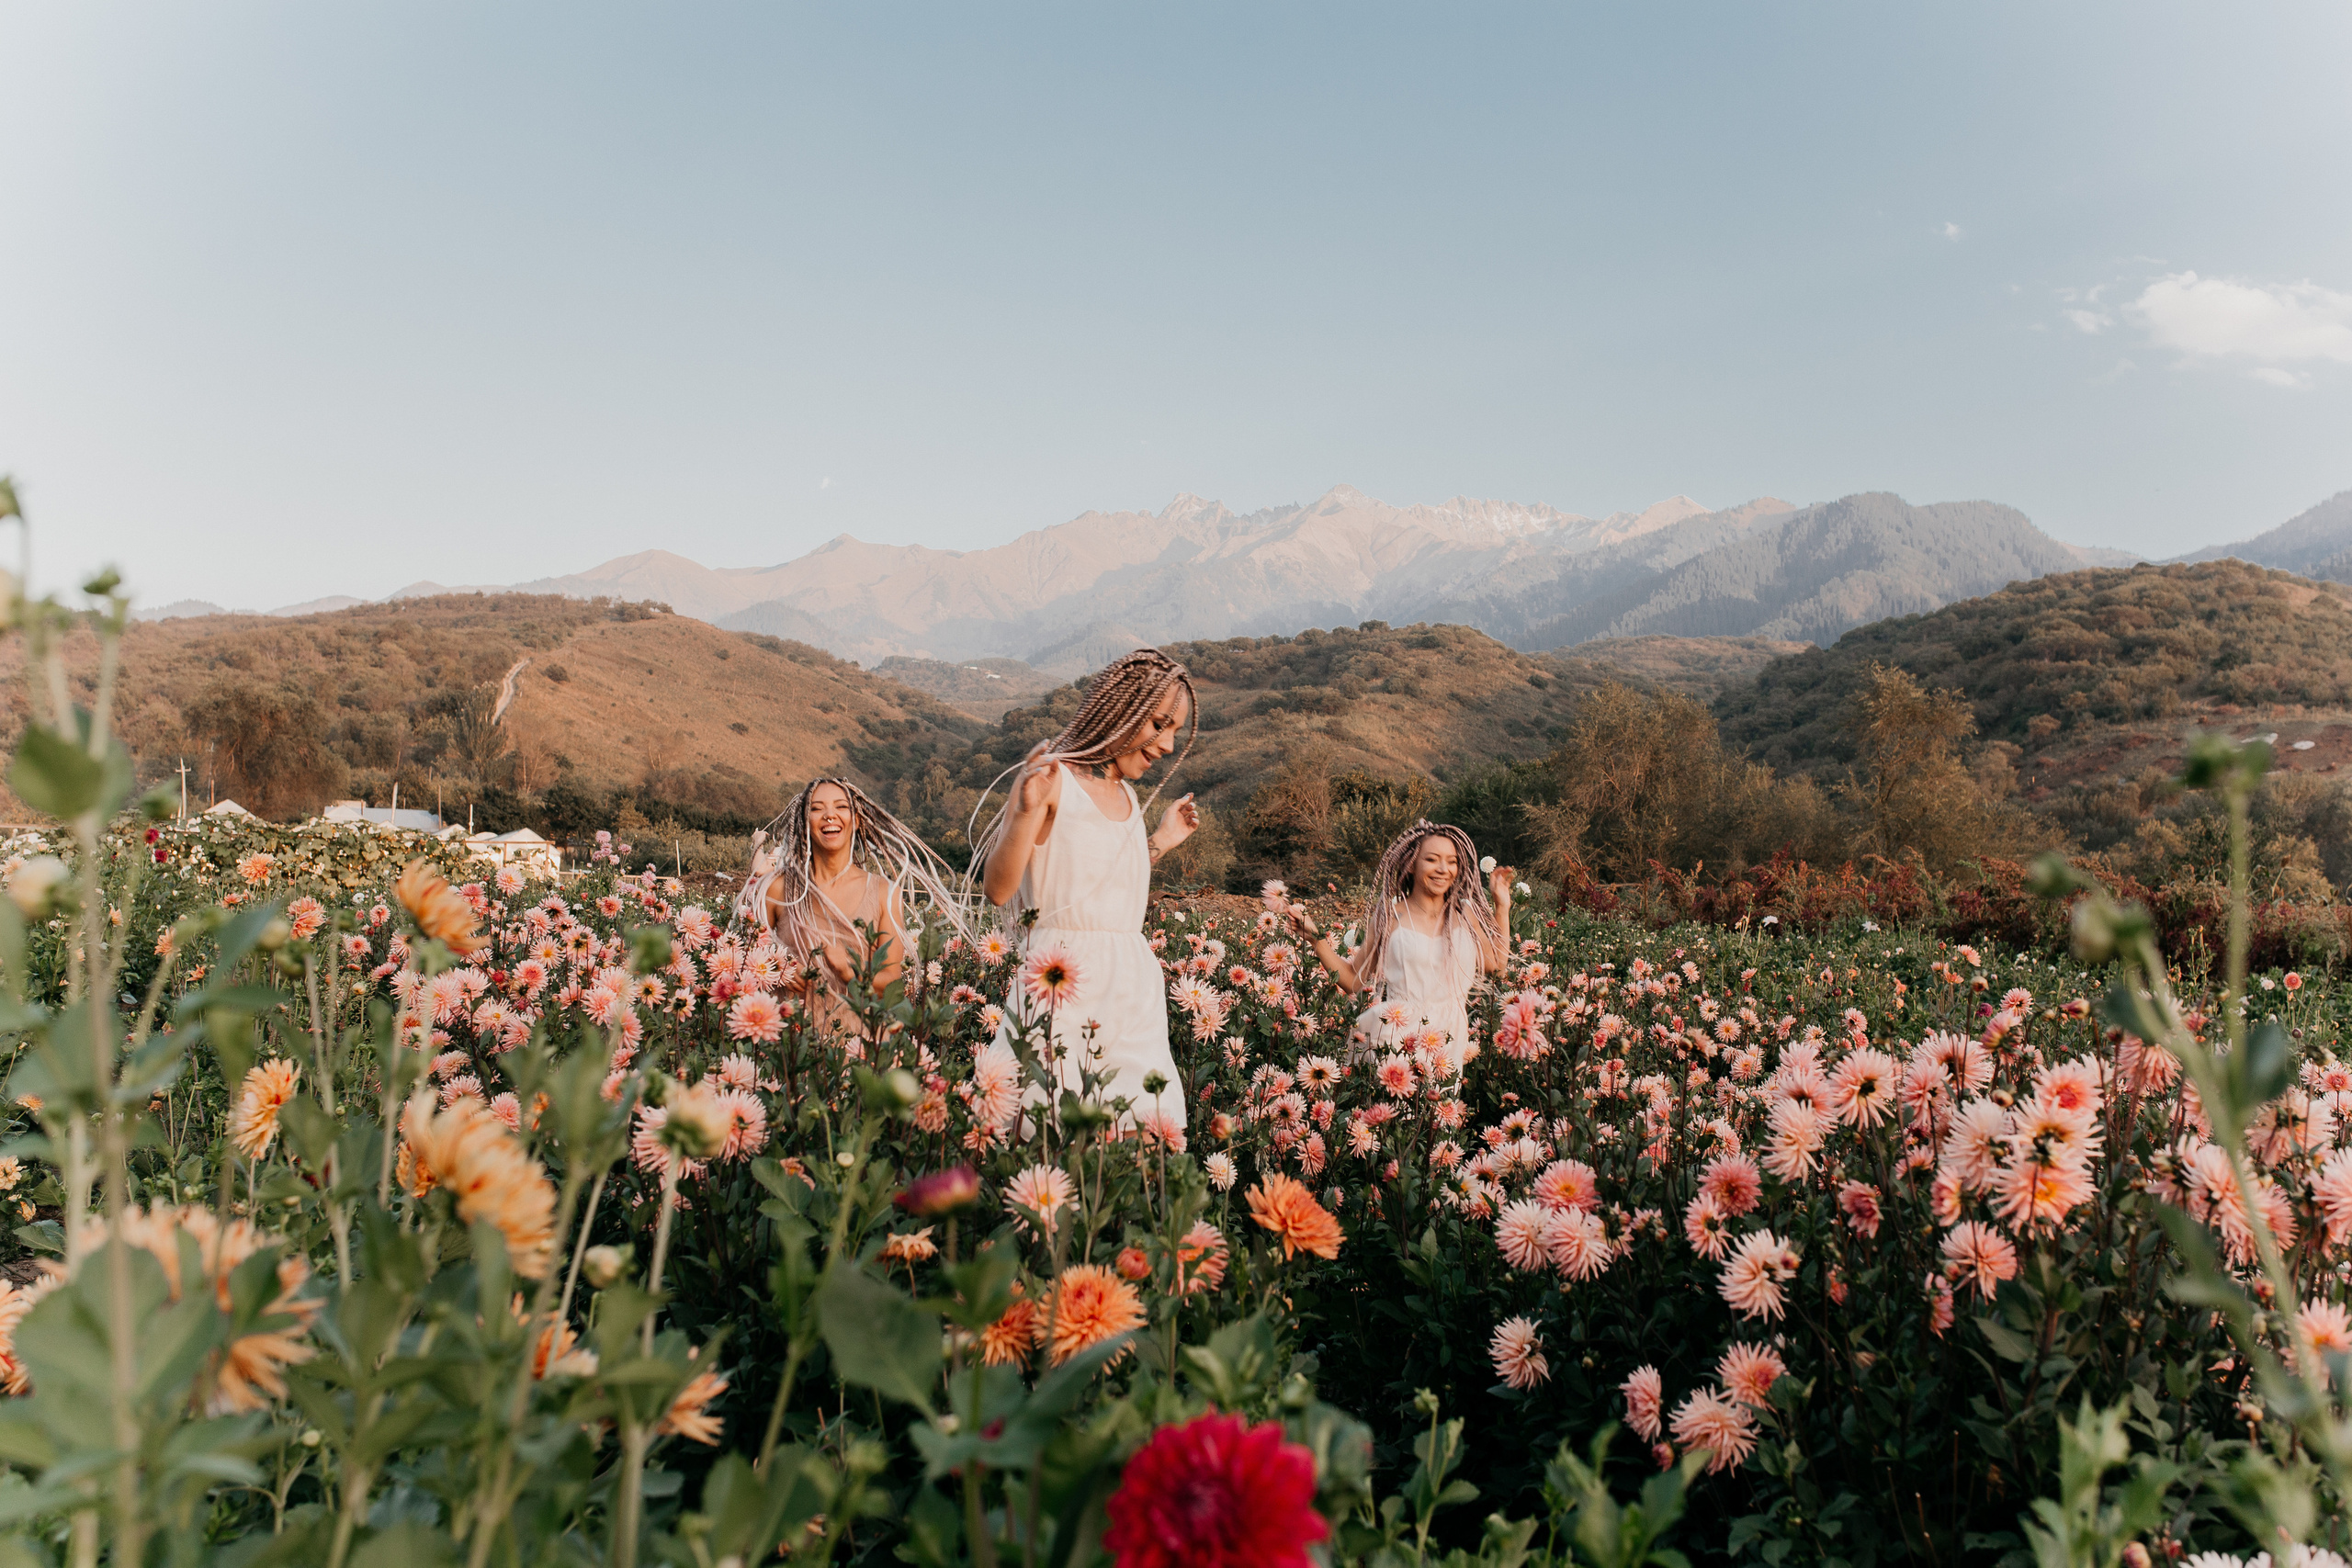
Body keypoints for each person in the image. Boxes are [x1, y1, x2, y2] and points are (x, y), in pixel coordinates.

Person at [977, 648, 1201, 1126]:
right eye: (1159, 724)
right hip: (1063, 985)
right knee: (1048, 1129)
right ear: (1122, 709)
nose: (1167, 744)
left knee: (1144, 1135)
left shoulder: (1129, 795)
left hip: (1133, 992)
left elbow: (1102, 881)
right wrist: (1024, 812)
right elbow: (997, 888)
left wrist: (1161, 840)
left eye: (1175, 731)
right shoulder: (1052, 779)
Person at [737, 778, 969, 1043]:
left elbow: (892, 983)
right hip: (791, 1048)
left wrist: (851, 972)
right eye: (816, 808)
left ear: (856, 820)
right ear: (803, 822)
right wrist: (779, 969)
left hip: (862, 1048)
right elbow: (745, 958)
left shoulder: (883, 892)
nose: (829, 815)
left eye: (841, 806)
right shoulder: (778, 888)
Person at [1286, 820, 1513, 1075]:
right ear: (1411, 864)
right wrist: (1315, 939)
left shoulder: (1465, 914)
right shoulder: (1390, 916)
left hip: (1450, 1043)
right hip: (1396, 1041)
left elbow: (1497, 968)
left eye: (1452, 861)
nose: (1443, 869)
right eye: (1432, 859)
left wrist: (1502, 907)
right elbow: (1352, 980)